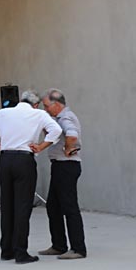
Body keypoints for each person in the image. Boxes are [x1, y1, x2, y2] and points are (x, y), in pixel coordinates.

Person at [0, 91, 61, 264]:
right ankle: (21, 251)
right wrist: (41, 146)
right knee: (23, 206)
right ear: (35, 104)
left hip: (5, 159)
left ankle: (6, 250)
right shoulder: (38, 114)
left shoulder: (3, 112)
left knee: (7, 204)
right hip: (24, 159)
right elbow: (56, 130)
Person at [37, 90, 86, 259]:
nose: (45, 109)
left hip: (66, 166)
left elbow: (72, 134)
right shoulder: (58, 119)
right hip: (60, 166)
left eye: (47, 106)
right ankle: (59, 245)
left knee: (69, 206)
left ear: (57, 104)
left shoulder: (66, 117)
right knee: (53, 206)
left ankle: (78, 248)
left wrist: (68, 148)